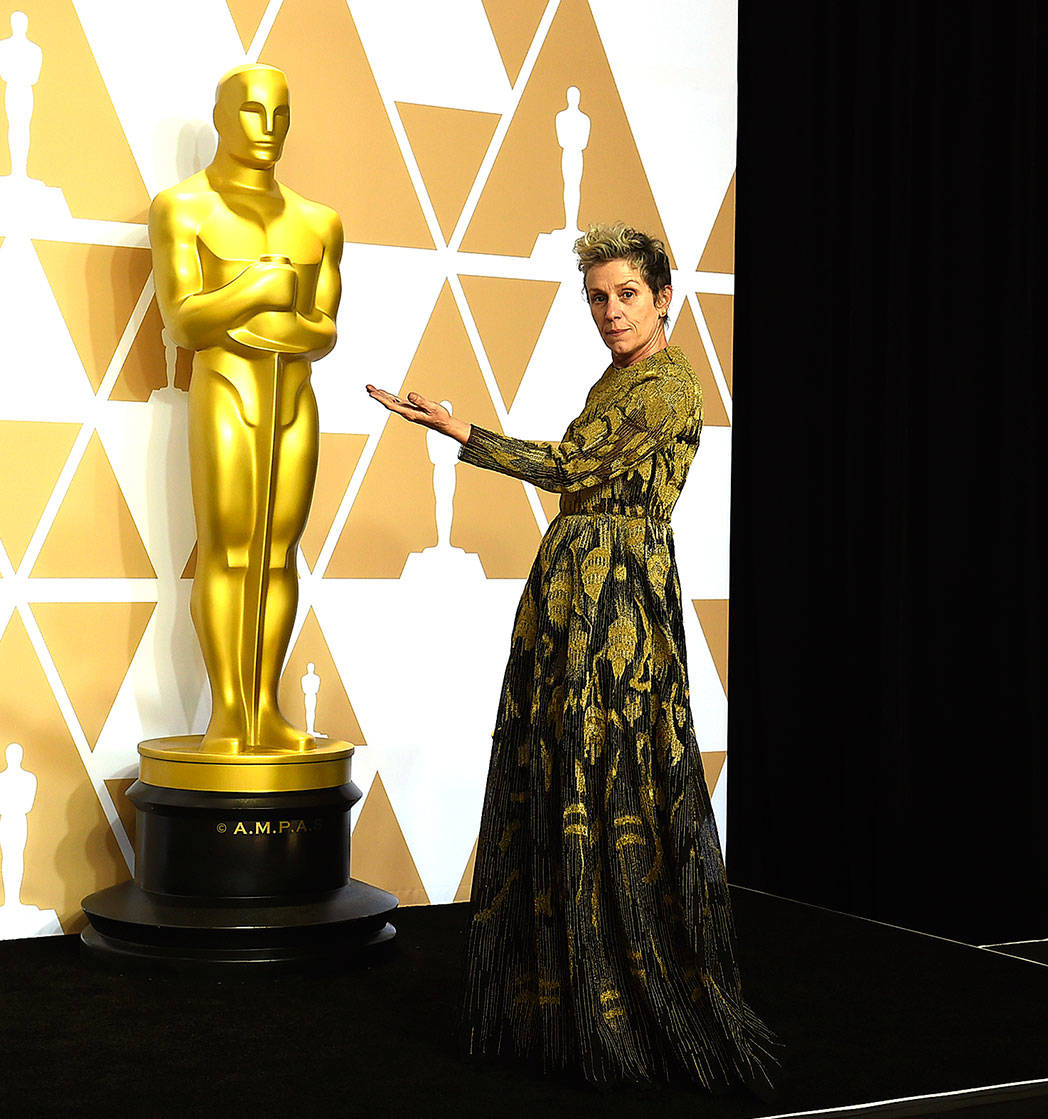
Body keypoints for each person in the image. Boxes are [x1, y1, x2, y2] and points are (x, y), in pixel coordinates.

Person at [367, 223, 777, 1091]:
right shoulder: (617, 376)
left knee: (612, 780)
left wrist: (461, 430)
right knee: (560, 775)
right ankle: (559, 999)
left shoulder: (667, 388)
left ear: (664, 296)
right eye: (597, 296)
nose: (610, 311)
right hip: (572, 594)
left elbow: (570, 466)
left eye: (626, 293)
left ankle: (626, 993)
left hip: (619, 604)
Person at [150, 64, 343, 754]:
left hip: (292, 396)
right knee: (229, 550)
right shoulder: (183, 208)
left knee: (281, 553)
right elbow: (185, 322)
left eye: (280, 113)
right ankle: (230, 711)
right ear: (224, 117)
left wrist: (243, 317)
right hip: (227, 392)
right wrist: (260, 289)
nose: (268, 129)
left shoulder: (318, 222)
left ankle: (265, 707)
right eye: (254, 112)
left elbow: (323, 331)